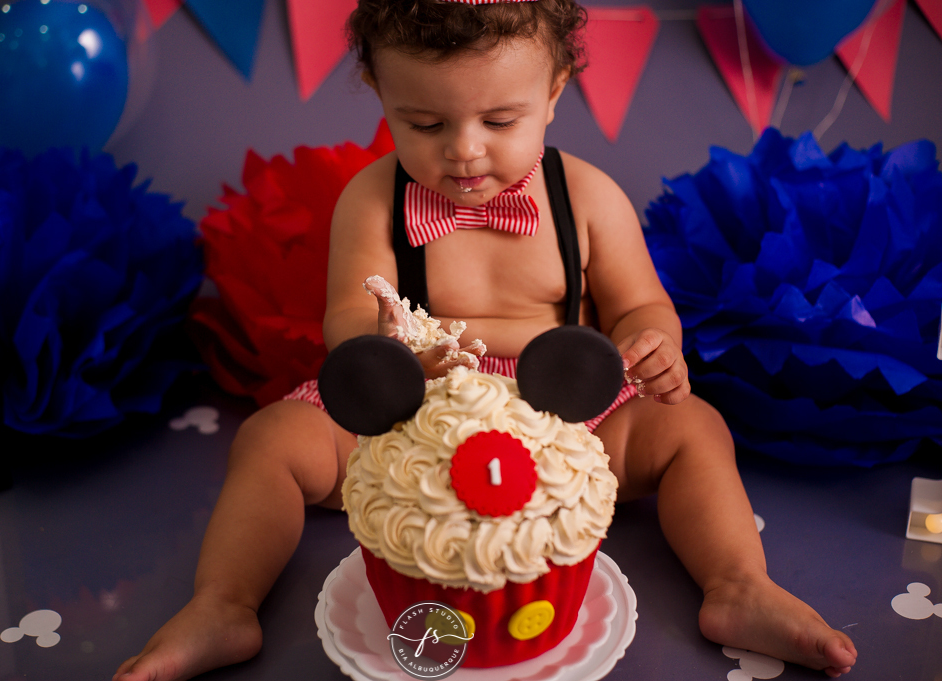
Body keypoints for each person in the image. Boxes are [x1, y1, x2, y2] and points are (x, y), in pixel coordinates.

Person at [114, 1, 859, 679]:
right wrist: (390, 344)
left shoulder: (586, 195)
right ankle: (224, 603)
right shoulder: (372, 200)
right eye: (426, 124)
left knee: (694, 427)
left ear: (556, 90)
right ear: (377, 90)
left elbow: (638, 306)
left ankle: (737, 586)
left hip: (566, 418)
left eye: (499, 121)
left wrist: (650, 341)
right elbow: (345, 320)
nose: (463, 152)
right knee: (273, 437)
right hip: (411, 416)